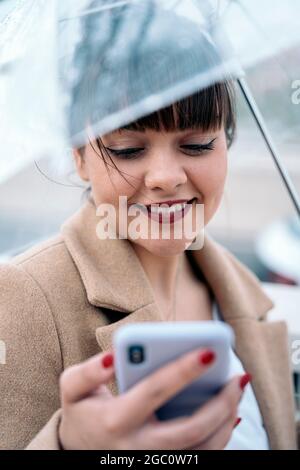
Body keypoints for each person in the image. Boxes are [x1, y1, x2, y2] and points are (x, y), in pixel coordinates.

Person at [0, 78, 297, 450]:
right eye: (127, 150)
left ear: (226, 140)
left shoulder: (243, 295)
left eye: (197, 145)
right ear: (79, 156)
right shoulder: (24, 297)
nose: (165, 178)